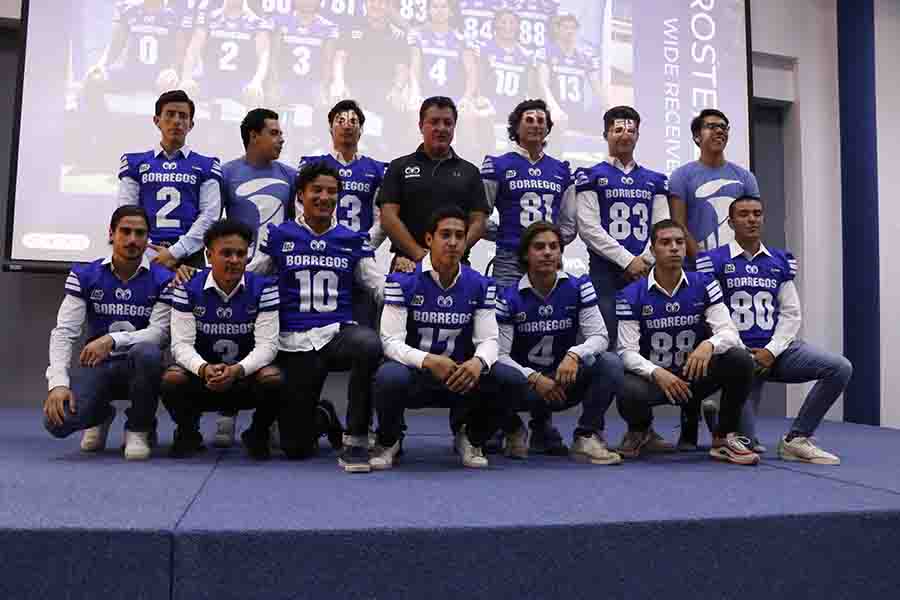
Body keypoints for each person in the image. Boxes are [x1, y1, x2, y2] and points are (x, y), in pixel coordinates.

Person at [251, 162, 384, 472]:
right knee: (296, 448)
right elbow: (252, 275)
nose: (325, 197)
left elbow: (376, 283)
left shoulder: (352, 239)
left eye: (332, 191)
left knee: (367, 344)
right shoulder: (279, 235)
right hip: (294, 339)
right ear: (301, 194)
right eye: (317, 190)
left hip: (337, 332)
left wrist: (411, 286)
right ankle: (322, 416)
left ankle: (357, 438)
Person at [697, 197, 851, 464]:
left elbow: (791, 314)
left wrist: (771, 350)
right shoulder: (713, 260)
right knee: (748, 444)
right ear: (731, 223)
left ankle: (797, 438)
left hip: (776, 351)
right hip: (737, 355)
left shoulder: (780, 260)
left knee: (840, 367)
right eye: (743, 214)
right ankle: (722, 423)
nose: (752, 219)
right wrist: (740, 351)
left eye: (757, 214)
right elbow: (711, 311)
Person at [615, 219, 759, 465]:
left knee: (740, 358)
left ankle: (724, 436)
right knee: (626, 386)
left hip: (694, 374)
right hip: (657, 381)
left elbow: (730, 332)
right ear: (652, 249)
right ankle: (641, 430)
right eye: (665, 242)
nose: (674, 248)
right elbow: (626, 352)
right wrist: (656, 373)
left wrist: (708, 345)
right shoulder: (631, 294)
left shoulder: (704, 283)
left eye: (679, 242)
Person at [371, 206, 505, 469]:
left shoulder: (480, 284)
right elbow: (390, 341)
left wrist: (478, 362)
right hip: (417, 373)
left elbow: (489, 340)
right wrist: (429, 360)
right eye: (445, 235)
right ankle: (390, 439)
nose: (453, 242)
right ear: (429, 239)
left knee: (505, 378)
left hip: (460, 375)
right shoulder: (402, 281)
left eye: (459, 235)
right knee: (389, 376)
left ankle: (471, 436)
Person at [44, 206, 173, 461]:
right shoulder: (85, 274)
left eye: (140, 233)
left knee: (147, 353)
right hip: (99, 366)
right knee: (57, 424)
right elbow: (64, 332)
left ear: (148, 239)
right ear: (111, 233)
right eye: (125, 231)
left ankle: (139, 427)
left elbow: (160, 333)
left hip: (141, 366)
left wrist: (113, 339)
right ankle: (101, 415)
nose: (133, 239)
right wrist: (58, 383)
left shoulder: (163, 278)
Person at [493, 222, 624, 463]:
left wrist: (574, 354)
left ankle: (586, 435)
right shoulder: (508, 297)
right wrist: (532, 377)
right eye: (539, 247)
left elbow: (600, 336)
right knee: (490, 369)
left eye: (554, 247)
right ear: (525, 254)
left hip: (564, 382)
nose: (547, 252)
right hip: (527, 386)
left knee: (610, 362)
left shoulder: (578, 287)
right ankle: (513, 428)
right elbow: (500, 355)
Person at [162, 219, 282, 459]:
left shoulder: (264, 288)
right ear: (209, 255)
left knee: (273, 378)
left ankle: (257, 432)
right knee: (171, 378)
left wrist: (237, 370)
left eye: (240, 254)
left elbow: (268, 346)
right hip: (202, 379)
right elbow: (180, 345)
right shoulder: (187, 288)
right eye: (226, 253)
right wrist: (204, 369)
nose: (235, 260)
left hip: (243, 378)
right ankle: (188, 432)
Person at [215, 108, 296, 447]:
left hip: (276, 279)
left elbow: (294, 226)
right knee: (233, 341)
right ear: (253, 136)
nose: (281, 139)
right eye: (274, 133)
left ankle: (272, 417)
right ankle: (227, 414)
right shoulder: (226, 174)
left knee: (274, 348)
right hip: (238, 276)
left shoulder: (291, 176)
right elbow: (215, 227)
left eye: (280, 133)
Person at [573, 106, 670, 350]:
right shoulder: (589, 175)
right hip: (604, 273)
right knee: (604, 343)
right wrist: (627, 261)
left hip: (645, 273)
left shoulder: (655, 179)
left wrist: (644, 261)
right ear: (605, 134)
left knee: (645, 344)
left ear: (638, 135)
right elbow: (588, 227)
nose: (625, 135)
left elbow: (662, 227)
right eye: (617, 130)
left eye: (631, 130)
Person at [298, 100, 388, 327]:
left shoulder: (376, 169)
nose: (347, 126)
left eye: (354, 121)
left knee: (363, 318)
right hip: (321, 251)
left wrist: (363, 243)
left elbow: (382, 216)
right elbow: (301, 208)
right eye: (340, 121)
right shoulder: (312, 164)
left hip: (361, 252)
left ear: (361, 129)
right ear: (330, 127)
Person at [379, 96, 489, 271]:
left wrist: (452, 253)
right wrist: (421, 256)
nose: (441, 128)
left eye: (448, 123)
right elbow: (388, 217)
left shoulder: (471, 172)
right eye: (434, 122)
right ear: (421, 125)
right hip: (407, 264)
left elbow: (479, 222)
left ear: (454, 127)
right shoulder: (399, 167)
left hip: (455, 266)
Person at [118, 89, 223, 269]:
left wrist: (176, 251)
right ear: (156, 121)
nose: (176, 121)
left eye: (183, 116)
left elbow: (210, 215)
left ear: (191, 124)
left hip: (189, 256)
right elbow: (126, 211)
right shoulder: (134, 162)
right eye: (170, 114)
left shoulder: (207, 165)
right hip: (144, 254)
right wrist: (149, 251)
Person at [481, 98, 575, 288]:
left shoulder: (561, 170)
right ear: (516, 127)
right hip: (510, 258)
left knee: (549, 314)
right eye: (529, 120)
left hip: (549, 259)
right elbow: (478, 216)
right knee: (505, 314)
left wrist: (551, 244)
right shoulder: (497, 165)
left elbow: (569, 224)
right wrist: (504, 235)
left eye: (541, 121)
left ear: (548, 129)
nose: (536, 125)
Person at [669, 108, 760, 260]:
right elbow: (678, 226)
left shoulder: (745, 177)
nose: (719, 131)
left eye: (723, 127)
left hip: (738, 266)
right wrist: (704, 261)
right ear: (697, 137)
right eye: (711, 127)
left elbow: (754, 224)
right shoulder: (681, 176)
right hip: (697, 268)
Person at [537, 10, 606, 138]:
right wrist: (554, 109)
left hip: (576, 111)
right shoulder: (546, 52)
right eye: (565, 27)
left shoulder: (585, 57)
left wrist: (611, 109)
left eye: (573, 28)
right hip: (553, 111)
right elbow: (543, 84)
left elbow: (597, 88)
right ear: (557, 30)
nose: (570, 31)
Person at [408, 0, 479, 108]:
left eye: (443, 6)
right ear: (429, 10)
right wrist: (415, 93)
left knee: (469, 113)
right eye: (435, 6)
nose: (439, 10)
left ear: (450, 11)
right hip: (426, 97)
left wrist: (467, 97)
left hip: (454, 100)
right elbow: (414, 68)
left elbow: (471, 72)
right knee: (413, 108)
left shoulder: (461, 39)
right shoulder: (419, 36)